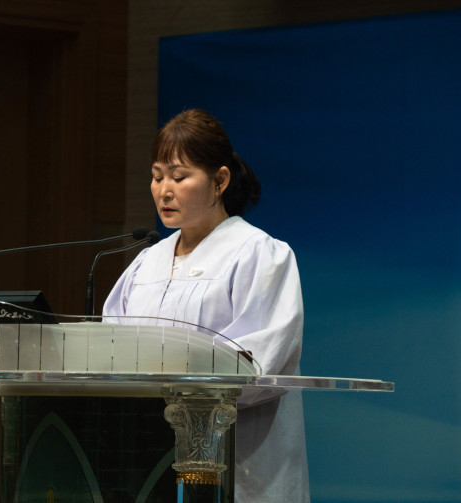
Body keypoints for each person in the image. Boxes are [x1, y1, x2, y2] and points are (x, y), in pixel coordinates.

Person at [102, 109, 309, 502]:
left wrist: (175, 388)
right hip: (148, 457)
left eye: (179, 177)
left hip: (239, 462)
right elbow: (108, 348)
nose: (164, 190)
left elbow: (262, 360)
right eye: (157, 176)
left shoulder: (259, 255)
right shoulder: (146, 262)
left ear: (220, 180)